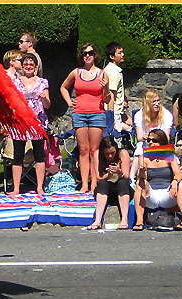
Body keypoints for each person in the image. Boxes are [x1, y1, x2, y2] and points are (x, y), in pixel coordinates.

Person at [60, 43, 111, 193]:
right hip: (80, 113)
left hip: (97, 113)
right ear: (81, 56)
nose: (87, 55)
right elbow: (63, 87)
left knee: (94, 149)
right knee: (83, 149)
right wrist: (69, 101)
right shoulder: (76, 72)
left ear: (95, 55)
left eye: (90, 53)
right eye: (84, 53)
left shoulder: (102, 74)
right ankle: (84, 184)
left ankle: (94, 182)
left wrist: (106, 87)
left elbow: (107, 99)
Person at [9, 53, 50, 195]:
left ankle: (39, 187)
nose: (28, 67)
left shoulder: (42, 82)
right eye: (25, 64)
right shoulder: (15, 83)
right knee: (18, 155)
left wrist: (44, 98)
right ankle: (16, 188)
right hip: (20, 122)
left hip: (37, 121)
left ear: (36, 67)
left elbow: (48, 104)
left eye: (31, 65)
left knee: (39, 154)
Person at [133, 129, 182, 231]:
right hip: (151, 195)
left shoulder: (169, 156)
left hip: (167, 194)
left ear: (161, 142)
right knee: (140, 182)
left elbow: (178, 174)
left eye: (154, 140)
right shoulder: (144, 157)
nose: (150, 142)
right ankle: (139, 221)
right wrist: (142, 171)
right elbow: (142, 178)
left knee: (180, 183)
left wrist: (175, 181)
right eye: (149, 140)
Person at [87, 136, 131, 230]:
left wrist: (119, 171)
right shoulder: (97, 154)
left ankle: (124, 220)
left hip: (122, 188)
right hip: (106, 188)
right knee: (102, 184)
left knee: (122, 183)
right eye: (107, 154)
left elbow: (127, 176)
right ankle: (97, 220)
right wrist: (108, 175)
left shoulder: (123, 153)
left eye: (112, 153)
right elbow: (98, 177)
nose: (110, 156)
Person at [130, 89, 173, 184]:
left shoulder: (166, 115)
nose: (157, 104)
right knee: (140, 149)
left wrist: (154, 139)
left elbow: (165, 137)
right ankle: (131, 178)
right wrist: (146, 137)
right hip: (145, 142)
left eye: (158, 101)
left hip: (161, 144)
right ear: (147, 103)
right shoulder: (139, 115)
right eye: (154, 101)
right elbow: (139, 137)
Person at [103, 41, 125, 131]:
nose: (123, 55)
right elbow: (111, 95)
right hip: (113, 114)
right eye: (119, 53)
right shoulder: (113, 72)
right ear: (112, 56)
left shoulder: (110, 69)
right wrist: (111, 119)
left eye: (122, 52)